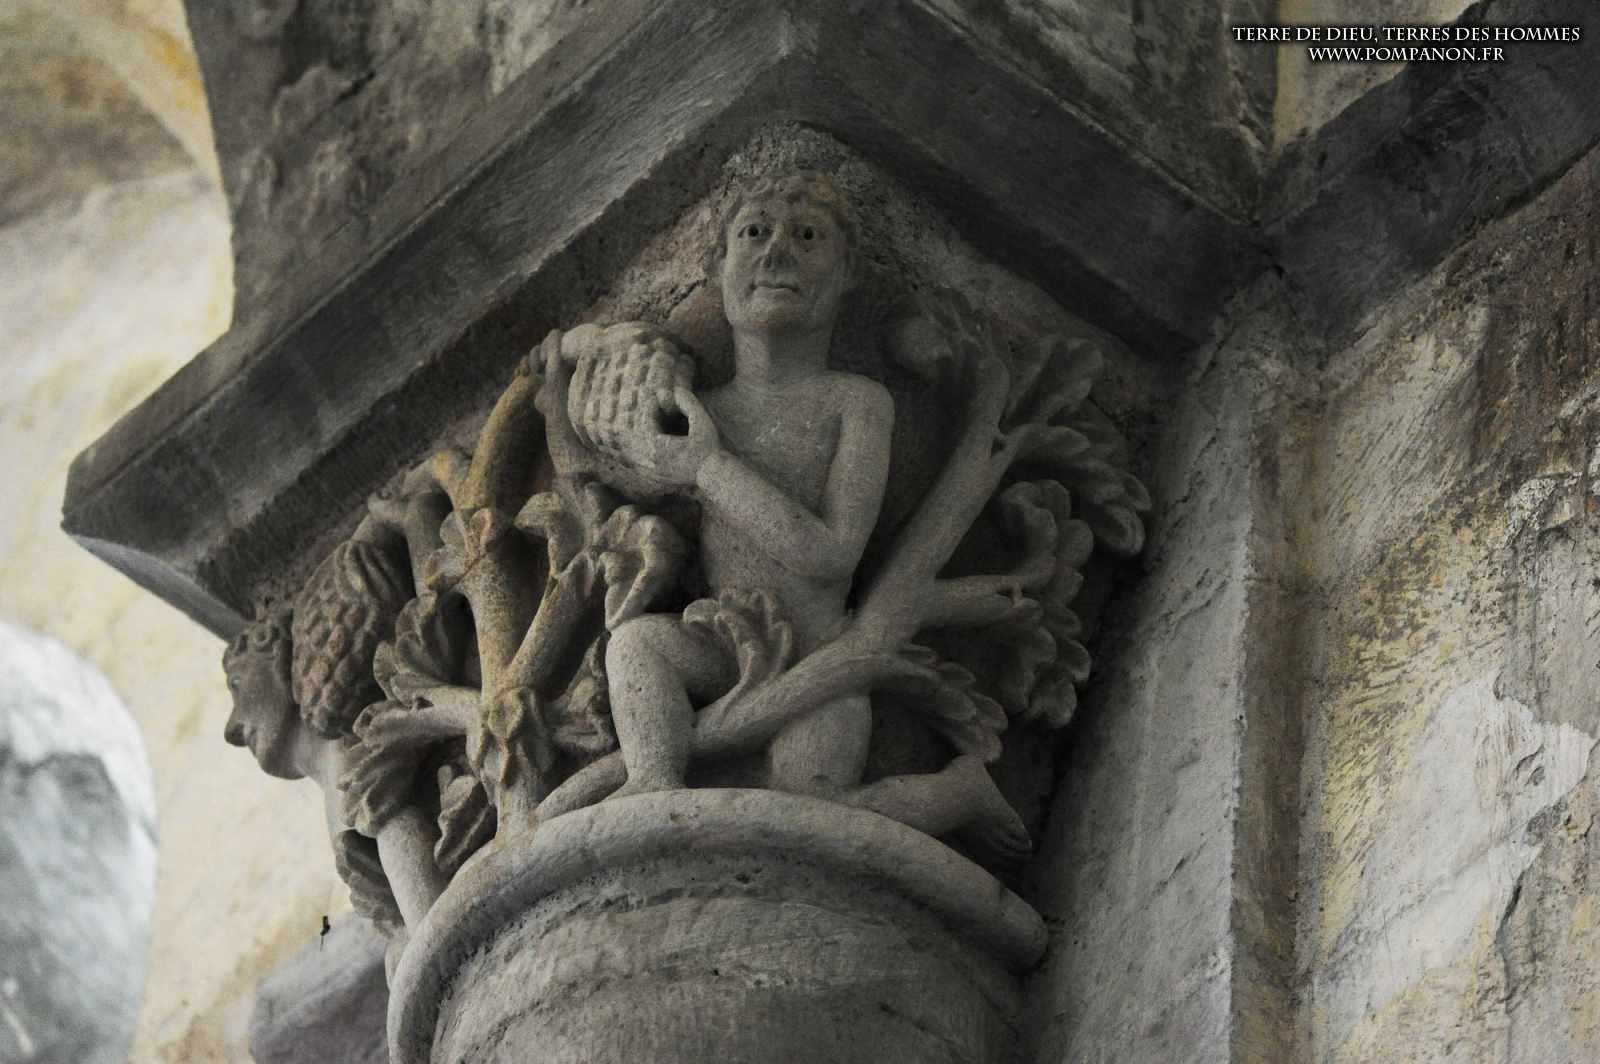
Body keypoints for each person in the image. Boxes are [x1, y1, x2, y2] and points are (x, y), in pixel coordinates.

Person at [563, 172, 1029, 856]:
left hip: (818, 652)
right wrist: (573, 358)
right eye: (754, 232)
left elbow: (831, 553)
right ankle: (655, 780)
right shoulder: (700, 409)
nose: (777, 252)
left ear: (846, 278)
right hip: (724, 642)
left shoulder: (855, 402)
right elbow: (595, 476)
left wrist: (707, 468)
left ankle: (957, 793)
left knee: (814, 809)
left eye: (807, 237)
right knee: (635, 646)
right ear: (717, 270)